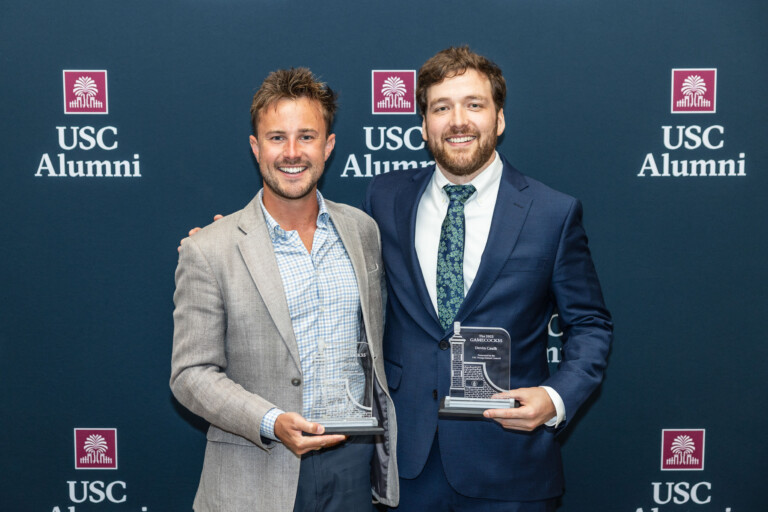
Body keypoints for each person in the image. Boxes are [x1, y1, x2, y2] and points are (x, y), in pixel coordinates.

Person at [360, 46, 612, 511]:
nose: (458, 121)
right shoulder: (384, 197)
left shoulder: (552, 212)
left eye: (474, 105)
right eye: (441, 107)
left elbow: (591, 324)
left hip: (511, 463)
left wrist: (556, 397)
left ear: (499, 119)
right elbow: (332, 251)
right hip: (408, 465)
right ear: (423, 125)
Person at [171, 67, 398, 512]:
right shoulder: (209, 250)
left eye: (307, 137)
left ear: (328, 146)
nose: (292, 153)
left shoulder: (363, 231)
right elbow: (190, 374)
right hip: (255, 472)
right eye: (277, 138)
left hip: (354, 466)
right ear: (256, 148)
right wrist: (272, 422)